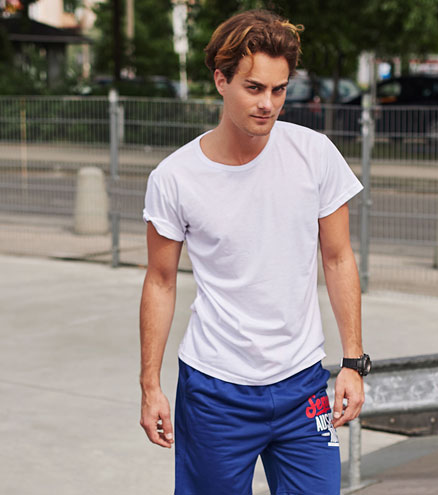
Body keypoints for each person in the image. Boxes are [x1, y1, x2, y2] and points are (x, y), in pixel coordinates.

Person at [139, 9, 370, 494]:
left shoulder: (315, 155)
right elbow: (160, 281)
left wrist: (353, 362)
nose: (268, 104)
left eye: (279, 90)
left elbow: (338, 258)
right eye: (254, 87)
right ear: (221, 81)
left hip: (302, 385)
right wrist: (150, 384)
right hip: (214, 390)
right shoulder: (175, 178)